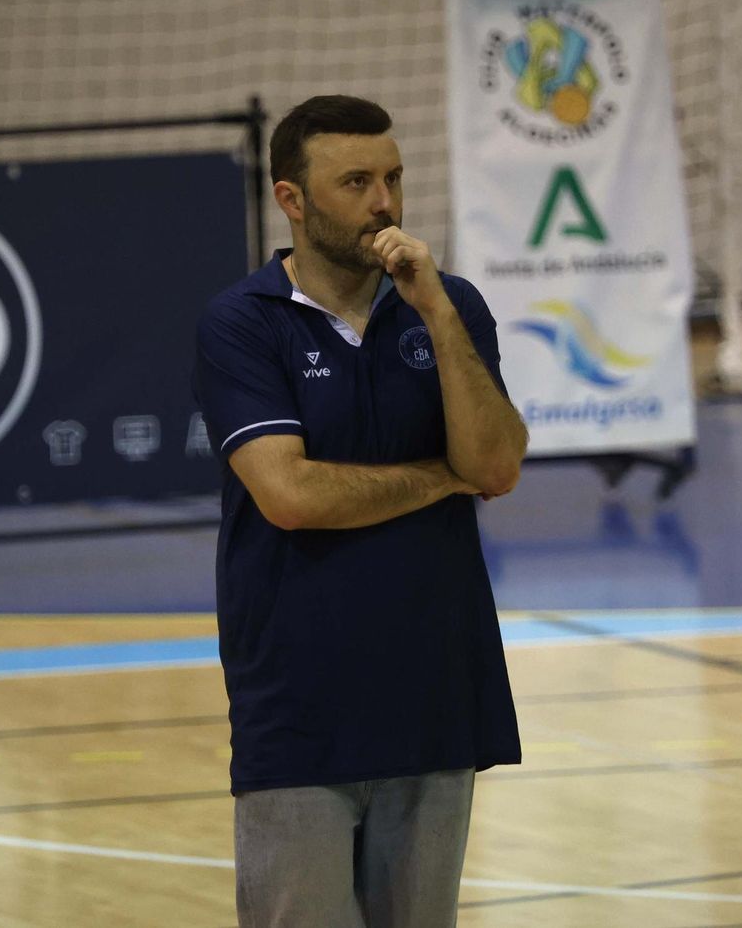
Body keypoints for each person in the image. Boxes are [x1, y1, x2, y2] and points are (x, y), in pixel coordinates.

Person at [193, 95, 529, 927]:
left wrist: (438, 313)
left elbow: (493, 464)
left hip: (436, 699)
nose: (384, 203)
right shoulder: (242, 324)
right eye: (355, 182)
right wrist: (433, 480)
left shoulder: (450, 308)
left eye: (392, 178)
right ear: (292, 201)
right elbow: (292, 495)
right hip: (301, 710)